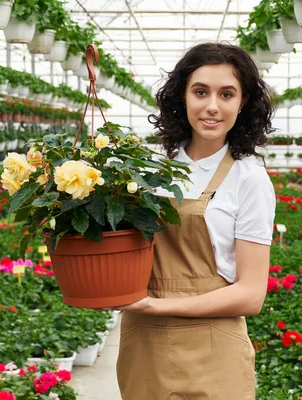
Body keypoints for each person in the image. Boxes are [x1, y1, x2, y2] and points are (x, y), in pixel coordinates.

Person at [115, 42, 276, 399]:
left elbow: (251, 295)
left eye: (227, 94)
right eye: (200, 92)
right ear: (182, 97)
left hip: (214, 349)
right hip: (145, 345)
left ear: (243, 102)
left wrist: (158, 305)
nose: (212, 106)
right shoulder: (147, 168)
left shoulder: (248, 178)